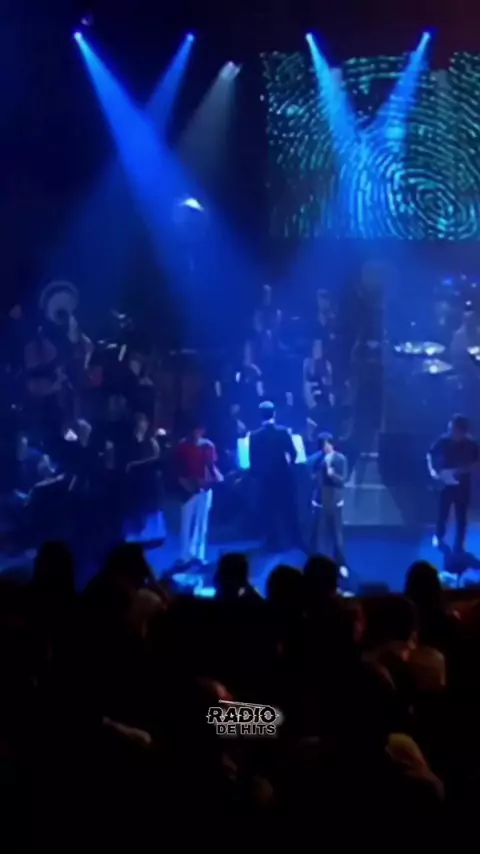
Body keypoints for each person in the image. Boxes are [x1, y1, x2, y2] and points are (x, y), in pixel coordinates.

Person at [249, 400, 298, 552]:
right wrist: (287, 466)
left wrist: (258, 475)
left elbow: (253, 461)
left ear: (259, 415)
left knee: (268, 509)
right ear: (274, 414)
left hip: (265, 479)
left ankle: (271, 541)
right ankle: (292, 539)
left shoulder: (254, 436)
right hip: (283, 476)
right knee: (286, 507)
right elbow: (293, 453)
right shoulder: (283, 432)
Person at [427, 414, 480, 552]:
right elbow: (430, 454)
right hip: (446, 483)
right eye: (450, 429)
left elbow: (477, 462)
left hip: (462, 484)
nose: (452, 432)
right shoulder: (443, 441)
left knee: (461, 515)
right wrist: (433, 471)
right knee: (442, 512)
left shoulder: (471, 445)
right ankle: (439, 536)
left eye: (455, 430)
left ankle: (459, 543)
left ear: (462, 431)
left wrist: (464, 470)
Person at [175, 420, 223, 566]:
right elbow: (178, 467)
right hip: (187, 489)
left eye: (200, 430)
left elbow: (211, 465)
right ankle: (185, 555)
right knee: (187, 522)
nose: (198, 432)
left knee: (201, 523)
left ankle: (198, 555)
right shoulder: (183, 446)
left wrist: (215, 478)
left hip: (204, 488)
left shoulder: (208, 445)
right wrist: (184, 483)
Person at [308, 432, 349, 576]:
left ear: (332, 444)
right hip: (320, 500)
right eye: (322, 445)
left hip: (335, 500)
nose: (325, 447)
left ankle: (341, 564)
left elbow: (343, 479)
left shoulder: (340, 458)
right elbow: (311, 477)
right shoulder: (316, 459)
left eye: (327, 444)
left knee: (337, 535)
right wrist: (318, 473)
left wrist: (333, 474)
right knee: (319, 535)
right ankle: (319, 565)